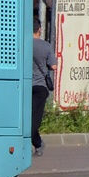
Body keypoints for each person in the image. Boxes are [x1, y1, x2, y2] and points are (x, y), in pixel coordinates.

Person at [30, 12, 56, 155]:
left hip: (24, 86)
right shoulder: (45, 46)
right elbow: (54, 66)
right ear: (39, 29)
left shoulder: (22, 44)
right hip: (40, 87)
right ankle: (38, 143)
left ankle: (37, 143)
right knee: (35, 117)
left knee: (26, 117)